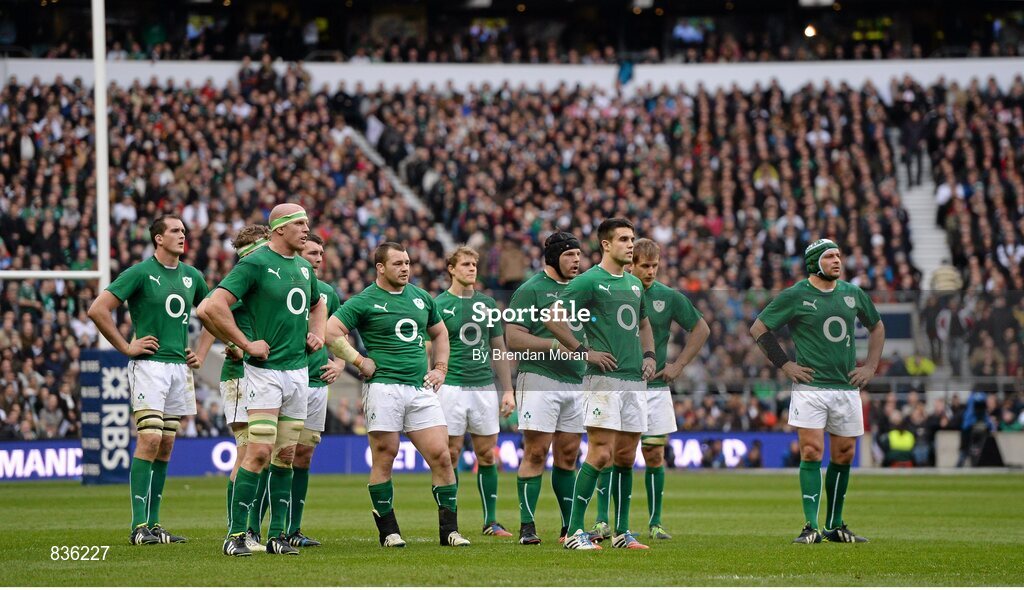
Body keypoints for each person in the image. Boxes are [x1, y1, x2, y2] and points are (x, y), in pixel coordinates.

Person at [324, 242, 469, 548]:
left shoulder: (420, 298)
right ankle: (389, 532)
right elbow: (331, 330)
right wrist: (359, 361)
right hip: (384, 387)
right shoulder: (365, 300)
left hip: (420, 388)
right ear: (380, 267)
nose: (405, 268)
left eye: (407, 262)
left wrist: (441, 368)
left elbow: (440, 333)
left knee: (442, 456)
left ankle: (450, 532)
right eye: (398, 263)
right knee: (385, 457)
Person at [199, 203, 325, 557]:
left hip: (298, 372)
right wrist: (244, 342)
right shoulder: (253, 264)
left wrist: (316, 333)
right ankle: (237, 534)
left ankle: (278, 535)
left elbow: (318, 305)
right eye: (300, 223)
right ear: (279, 229)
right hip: (264, 374)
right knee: (257, 452)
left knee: (285, 455)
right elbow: (211, 307)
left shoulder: (303, 267)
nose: (307, 228)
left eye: (307, 222)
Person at [749, 238, 885, 544]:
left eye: (839, 255)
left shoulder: (852, 294)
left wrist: (870, 367)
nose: (838, 260)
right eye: (830, 256)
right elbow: (758, 328)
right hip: (811, 387)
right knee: (812, 451)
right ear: (814, 264)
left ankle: (835, 525)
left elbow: (877, 326)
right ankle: (810, 526)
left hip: (846, 387)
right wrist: (785, 365)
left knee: (845, 454)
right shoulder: (796, 295)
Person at [87, 215, 212, 545]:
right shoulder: (141, 273)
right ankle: (138, 526)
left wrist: (200, 350)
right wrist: (127, 346)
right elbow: (98, 309)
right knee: (150, 439)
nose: (182, 236)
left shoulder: (192, 276)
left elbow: (215, 312)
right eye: (175, 231)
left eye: (184, 231)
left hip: (178, 368)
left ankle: (154, 525)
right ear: (158, 238)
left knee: (167, 443)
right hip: (149, 366)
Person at [587, 237, 709, 541]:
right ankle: (603, 520)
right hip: (618, 382)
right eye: (645, 265)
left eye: (655, 265)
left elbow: (701, 328)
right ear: (631, 264)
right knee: (610, 454)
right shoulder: (612, 290)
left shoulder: (668, 297)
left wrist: (678, 366)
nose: (651, 271)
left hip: (653, 388)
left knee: (654, 454)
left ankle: (655, 522)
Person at [547, 218, 657, 551]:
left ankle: (622, 532)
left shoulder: (634, 284)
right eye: (624, 239)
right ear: (606, 245)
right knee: (600, 453)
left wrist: (649, 355)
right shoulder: (590, 281)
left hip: (633, 380)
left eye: (633, 238)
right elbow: (553, 318)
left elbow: (643, 323)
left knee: (626, 456)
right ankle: (575, 532)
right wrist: (583, 351)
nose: (630, 244)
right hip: (603, 380)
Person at [504, 232, 587, 545]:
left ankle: (569, 528)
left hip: (577, 381)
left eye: (579, 255)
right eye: (569, 256)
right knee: (536, 452)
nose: (576, 261)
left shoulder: (583, 289)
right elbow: (513, 337)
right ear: (552, 258)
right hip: (540, 379)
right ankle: (528, 527)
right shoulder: (531, 290)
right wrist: (554, 344)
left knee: (568, 455)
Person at [434, 246, 516, 537]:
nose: (471, 269)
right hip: (451, 386)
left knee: (487, 454)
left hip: (483, 386)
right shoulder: (439, 304)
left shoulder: (488, 304)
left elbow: (498, 348)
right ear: (451, 269)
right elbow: (430, 347)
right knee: (451, 454)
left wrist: (508, 390)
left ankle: (491, 521)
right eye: (465, 264)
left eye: (474, 264)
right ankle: (451, 522)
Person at [204, 223, 270, 553]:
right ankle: (238, 532)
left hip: (266, 373)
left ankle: (250, 530)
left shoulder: (265, 279)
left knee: (264, 453)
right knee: (247, 451)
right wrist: (235, 342)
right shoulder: (243, 278)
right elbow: (209, 311)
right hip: (240, 375)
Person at [289, 233, 344, 547]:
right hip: (285, 378)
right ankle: (255, 526)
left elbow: (336, 333)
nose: (319, 257)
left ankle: (293, 529)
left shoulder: (326, 293)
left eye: (322, 252)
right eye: (313, 251)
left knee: (304, 456)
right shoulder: (283, 282)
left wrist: (338, 362)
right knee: (274, 455)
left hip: (317, 382)